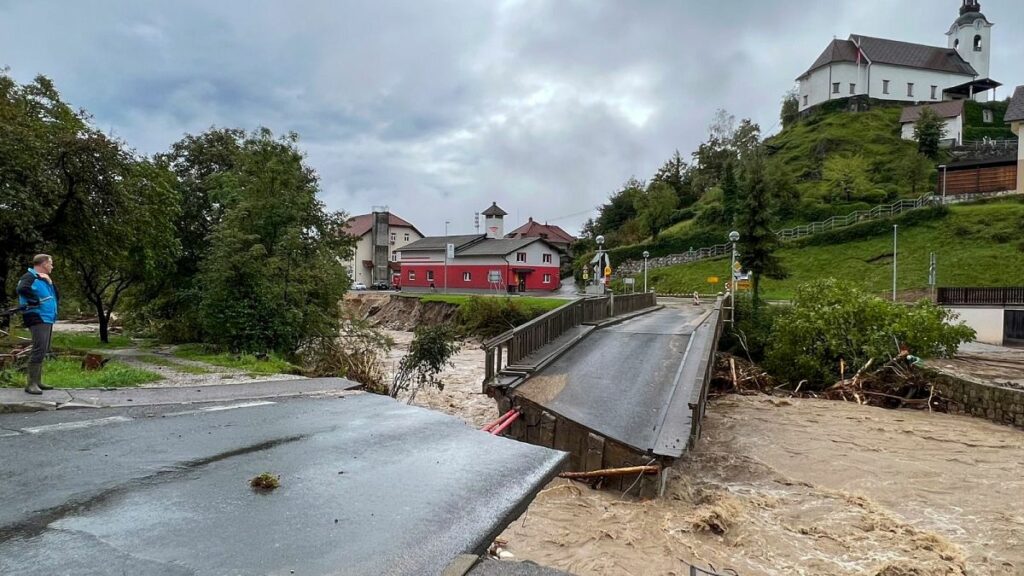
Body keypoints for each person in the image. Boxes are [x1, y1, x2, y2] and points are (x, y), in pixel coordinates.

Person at [17, 254, 59, 395]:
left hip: (46, 317)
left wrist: (50, 282)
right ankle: (31, 384)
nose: (52, 266)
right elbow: (22, 289)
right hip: (37, 316)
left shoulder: (43, 279)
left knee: (44, 349)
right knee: (39, 349)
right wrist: (34, 300)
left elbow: (56, 296)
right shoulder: (30, 276)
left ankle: (37, 381)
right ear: (44, 264)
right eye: (51, 263)